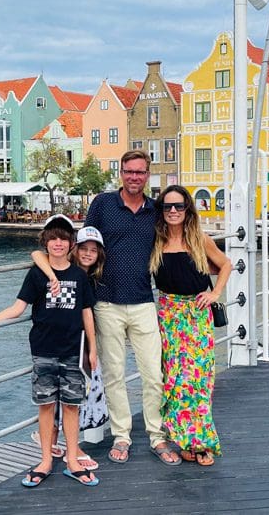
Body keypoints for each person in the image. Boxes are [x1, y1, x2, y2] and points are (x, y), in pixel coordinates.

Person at [0, 214, 100, 487]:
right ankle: (46, 459)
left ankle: (72, 460)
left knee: (72, 407)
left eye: (64, 238)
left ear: (71, 243)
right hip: (43, 351)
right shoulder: (36, 274)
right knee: (46, 407)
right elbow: (18, 307)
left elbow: (87, 315)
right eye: (53, 238)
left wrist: (92, 350)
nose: (58, 243)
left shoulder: (78, 276)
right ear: (45, 242)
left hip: (73, 350)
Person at [84, 150, 180, 466]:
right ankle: (122, 435)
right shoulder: (102, 204)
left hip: (143, 302)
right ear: (121, 172)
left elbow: (178, 240)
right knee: (114, 374)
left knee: (154, 374)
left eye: (140, 172)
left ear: (147, 174)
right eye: (129, 171)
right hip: (106, 302)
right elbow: (86, 247)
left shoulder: (156, 210)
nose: (134, 177)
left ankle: (156, 435)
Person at [150, 185, 231, 466]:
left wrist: (215, 293)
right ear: (161, 211)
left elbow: (225, 264)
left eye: (179, 206)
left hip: (196, 315)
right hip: (169, 315)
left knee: (198, 380)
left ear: (187, 210)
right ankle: (184, 440)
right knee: (175, 380)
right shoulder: (156, 241)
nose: (173, 211)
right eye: (167, 206)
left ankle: (201, 442)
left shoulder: (199, 239)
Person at [30, 224, 109, 471]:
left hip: (79, 344)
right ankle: (56, 444)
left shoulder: (87, 277)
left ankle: (68, 448)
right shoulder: (63, 270)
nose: (87, 254)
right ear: (74, 248)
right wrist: (53, 276)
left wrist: (92, 349)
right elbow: (37, 254)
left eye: (93, 251)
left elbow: (86, 313)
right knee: (54, 398)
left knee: (77, 396)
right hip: (58, 344)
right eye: (83, 248)